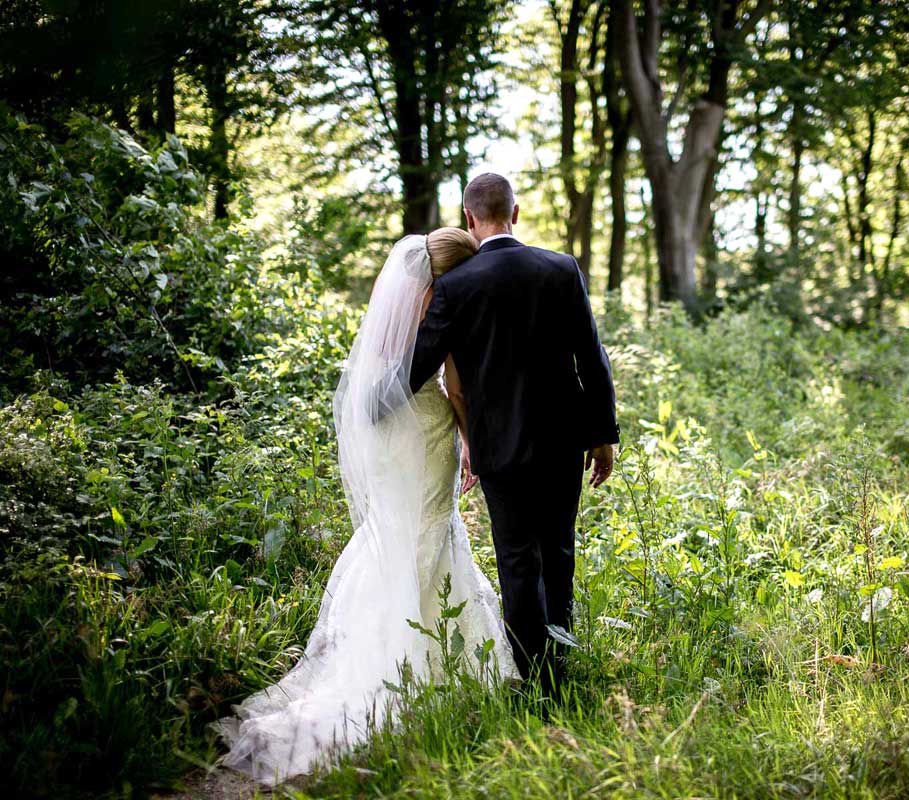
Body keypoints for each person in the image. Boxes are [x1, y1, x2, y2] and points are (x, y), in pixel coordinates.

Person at [215, 227, 517, 785]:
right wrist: (472, 438)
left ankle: (388, 655)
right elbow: (454, 390)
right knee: (430, 530)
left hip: (392, 443)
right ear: (446, 278)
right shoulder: (442, 312)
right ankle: (420, 673)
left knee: (398, 534)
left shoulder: (392, 319)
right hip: (426, 439)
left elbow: (377, 386)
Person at [408, 173, 620, 696]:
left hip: (499, 447)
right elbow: (592, 358)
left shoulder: (456, 285)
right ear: (516, 213)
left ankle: (532, 676)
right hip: (562, 441)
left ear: (469, 220)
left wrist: (371, 401)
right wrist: (603, 434)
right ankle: (560, 668)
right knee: (559, 551)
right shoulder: (561, 268)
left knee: (518, 560)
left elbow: (420, 365)